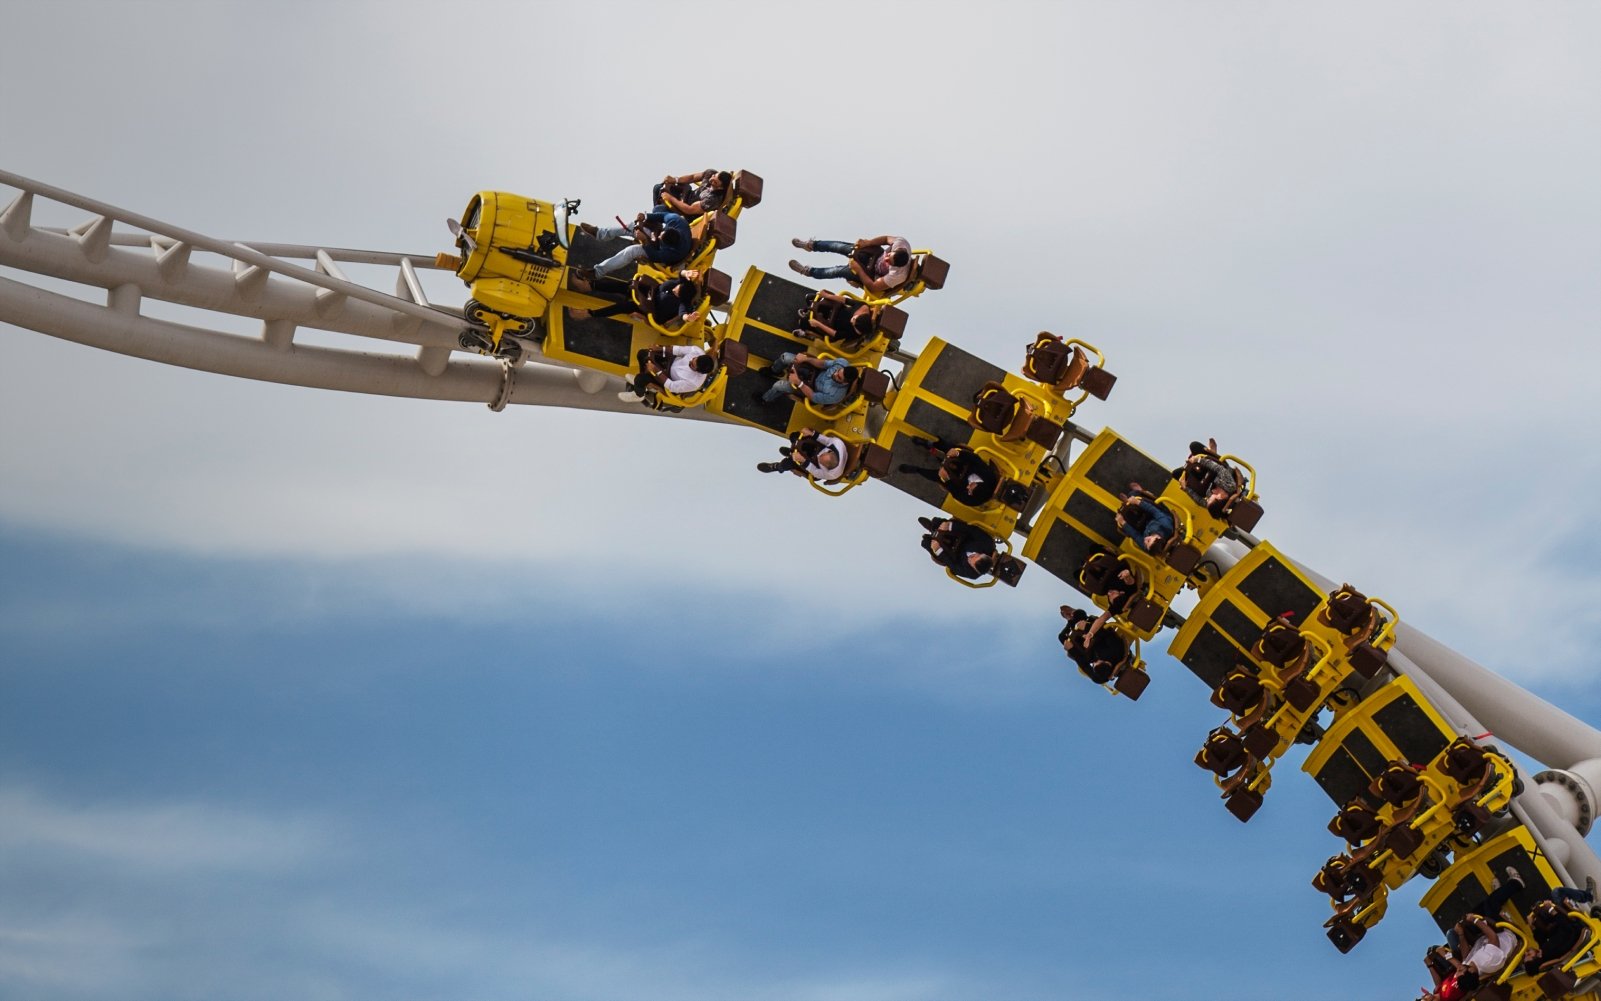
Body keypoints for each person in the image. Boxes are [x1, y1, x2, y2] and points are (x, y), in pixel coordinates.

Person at [788, 235, 914, 296]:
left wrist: (858, 270)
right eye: (889, 256)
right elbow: (886, 239)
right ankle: (811, 245)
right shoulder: (901, 243)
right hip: (874, 255)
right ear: (897, 250)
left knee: (840, 271)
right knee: (845, 248)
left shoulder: (897, 275)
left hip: (871, 274)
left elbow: (874, 287)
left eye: (889, 262)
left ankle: (809, 271)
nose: (886, 259)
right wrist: (867, 243)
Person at [569, 271, 704, 327]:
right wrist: (686, 273)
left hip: (650, 309)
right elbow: (681, 275)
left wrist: (688, 318)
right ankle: (588, 286)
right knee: (624, 286)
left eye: (676, 292)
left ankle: (588, 314)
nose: (674, 289)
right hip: (649, 292)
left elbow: (683, 314)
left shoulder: (682, 303)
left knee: (625, 306)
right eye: (677, 287)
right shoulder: (682, 284)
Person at [1523, 878, 1601, 975]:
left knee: (1541, 912)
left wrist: (1531, 925)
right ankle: (1589, 896)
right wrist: (1552, 910)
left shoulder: (1545, 954)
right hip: (1575, 926)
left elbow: (1541, 938)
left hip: (1564, 926)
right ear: (1537, 956)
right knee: (1557, 893)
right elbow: (1568, 929)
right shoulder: (1551, 950)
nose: (1526, 952)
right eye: (1529, 954)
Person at [897, 437, 1004, 507]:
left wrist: (947, 480)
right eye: (971, 487)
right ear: (979, 483)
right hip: (966, 463)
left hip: (956, 480)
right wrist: (958, 454)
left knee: (937, 477)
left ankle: (917, 470)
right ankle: (930, 444)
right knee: (951, 448)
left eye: (969, 491)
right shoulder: (989, 476)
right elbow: (975, 459)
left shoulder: (973, 500)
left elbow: (956, 494)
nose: (968, 488)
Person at [588, 209, 694, 276]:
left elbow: (654, 256)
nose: (661, 236)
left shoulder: (673, 253)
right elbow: (662, 216)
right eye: (663, 234)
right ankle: (600, 233)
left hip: (658, 253)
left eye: (662, 237)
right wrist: (646, 216)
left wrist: (644, 240)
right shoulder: (677, 221)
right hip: (656, 241)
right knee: (631, 227)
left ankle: (597, 272)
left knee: (631, 251)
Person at [1058, 606, 1129, 684]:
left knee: (1062, 637)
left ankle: (1070, 621)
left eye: (1093, 665)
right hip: (1096, 633)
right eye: (1098, 662)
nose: (1094, 662)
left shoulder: (1100, 676)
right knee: (1079, 615)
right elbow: (1108, 634)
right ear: (1107, 663)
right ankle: (1073, 615)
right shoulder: (1117, 652)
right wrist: (1087, 629)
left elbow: (1085, 665)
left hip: (1088, 646)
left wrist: (1072, 649)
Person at [757, 352, 857, 407]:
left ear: (845, 382)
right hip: (815, 372)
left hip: (810, 389)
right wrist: (806, 359)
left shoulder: (835, 396)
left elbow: (813, 396)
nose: (835, 374)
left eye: (838, 377)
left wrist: (798, 382)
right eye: (838, 371)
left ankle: (765, 399)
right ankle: (774, 370)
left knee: (778, 385)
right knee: (785, 357)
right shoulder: (842, 363)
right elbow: (823, 364)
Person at [1173, 438, 1242, 517]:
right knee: (1194, 446)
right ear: (1219, 498)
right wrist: (1198, 460)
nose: (1208, 499)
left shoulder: (1212, 502)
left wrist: (1186, 489)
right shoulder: (1229, 487)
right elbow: (1219, 469)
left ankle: (1193, 466)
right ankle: (1213, 452)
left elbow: (1199, 501)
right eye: (1210, 499)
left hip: (1206, 478)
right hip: (1215, 466)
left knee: (1176, 474)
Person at [917, 515, 999, 580]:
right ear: (983, 554)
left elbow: (952, 565)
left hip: (955, 555)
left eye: (971, 561)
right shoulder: (987, 543)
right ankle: (932, 527)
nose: (970, 558)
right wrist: (949, 526)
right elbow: (971, 530)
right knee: (938, 522)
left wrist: (938, 549)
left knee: (926, 543)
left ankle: (929, 538)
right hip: (963, 537)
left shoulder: (971, 573)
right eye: (974, 556)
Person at [624, 344, 715, 400]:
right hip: (671, 362)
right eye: (694, 359)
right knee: (642, 353)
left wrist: (655, 370)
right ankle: (643, 382)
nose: (690, 362)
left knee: (640, 379)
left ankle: (639, 394)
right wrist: (659, 349)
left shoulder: (694, 383)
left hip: (668, 380)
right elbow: (678, 350)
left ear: (698, 372)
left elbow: (671, 386)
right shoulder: (697, 351)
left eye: (692, 365)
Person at [756, 428, 848, 482]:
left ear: (826, 466)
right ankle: (791, 452)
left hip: (813, 466)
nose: (819, 457)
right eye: (821, 456)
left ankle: (777, 467)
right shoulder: (837, 444)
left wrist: (803, 460)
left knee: (787, 463)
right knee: (794, 436)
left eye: (821, 460)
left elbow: (815, 471)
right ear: (830, 452)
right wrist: (812, 433)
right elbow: (825, 440)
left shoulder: (831, 474)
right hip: (818, 448)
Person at [796, 290, 877, 348]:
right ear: (861, 315)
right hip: (836, 309)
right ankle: (810, 310)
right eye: (854, 319)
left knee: (802, 323)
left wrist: (818, 324)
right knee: (810, 297)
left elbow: (835, 334)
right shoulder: (863, 306)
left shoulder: (856, 333)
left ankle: (807, 333)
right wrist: (826, 295)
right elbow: (845, 300)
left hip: (832, 325)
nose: (851, 322)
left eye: (853, 325)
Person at [653, 169, 732, 219]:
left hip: (685, 212)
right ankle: (656, 221)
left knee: (659, 209)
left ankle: (656, 222)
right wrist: (675, 180)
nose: (712, 179)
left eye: (715, 181)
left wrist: (670, 198)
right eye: (714, 176)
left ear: (721, 187)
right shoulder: (711, 174)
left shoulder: (713, 199)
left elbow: (689, 210)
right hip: (687, 194)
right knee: (658, 188)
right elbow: (693, 177)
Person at [1115, 486, 1175, 552]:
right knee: (1134, 494)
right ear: (1158, 537)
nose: (1145, 540)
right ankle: (1142, 492)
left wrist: (1123, 522)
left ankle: (1127, 503)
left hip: (1144, 527)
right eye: (1149, 540)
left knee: (1126, 515)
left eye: (1146, 544)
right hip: (1155, 516)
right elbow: (1154, 511)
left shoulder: (1148, 548)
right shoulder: (1166, 525)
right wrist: (1137, 502)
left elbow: (1136, 536)